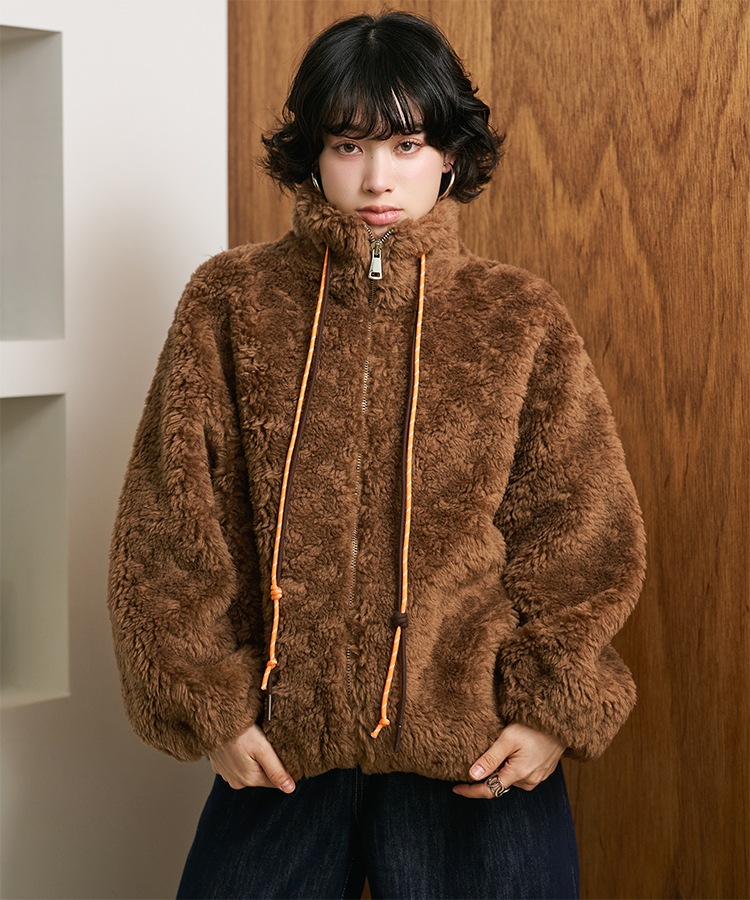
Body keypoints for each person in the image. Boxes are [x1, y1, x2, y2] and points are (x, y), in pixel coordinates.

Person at [107, 10, 646, 900]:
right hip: (282, 748)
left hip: (472, 748)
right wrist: (210, 708)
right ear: (314, 153)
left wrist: (553, 709)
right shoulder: (231, 302)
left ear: (449, 153)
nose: (376, 178)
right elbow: (171, 521)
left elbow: (580, 528)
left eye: (405, 144)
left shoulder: (518, 317)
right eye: (349, 145)